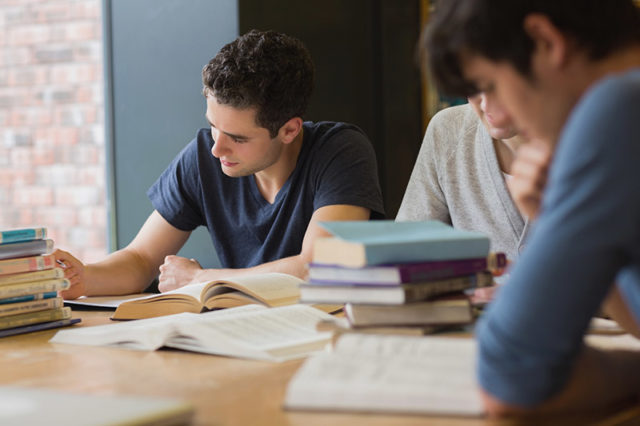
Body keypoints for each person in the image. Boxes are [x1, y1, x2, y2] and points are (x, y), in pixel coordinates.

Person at [422, 0, 640, 417]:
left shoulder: (620, 104)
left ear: (545, 42)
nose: (495, 113)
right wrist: (562, 220)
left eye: (491, 82)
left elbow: (510, 379)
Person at [56, 30, 384, 299]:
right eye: (213, 126)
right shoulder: (203, 156)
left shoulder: (341, 151)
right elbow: (141, 258)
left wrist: (201, 279)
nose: (216, 148)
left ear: (289, 130)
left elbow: (319, 268)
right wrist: (84, 277)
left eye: (237, 138)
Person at [396, 94, 529, 261]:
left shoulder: (570, 144)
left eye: (494, 85)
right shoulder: (448, 130)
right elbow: (407, 250)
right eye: (471, 85)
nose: (485, 104)